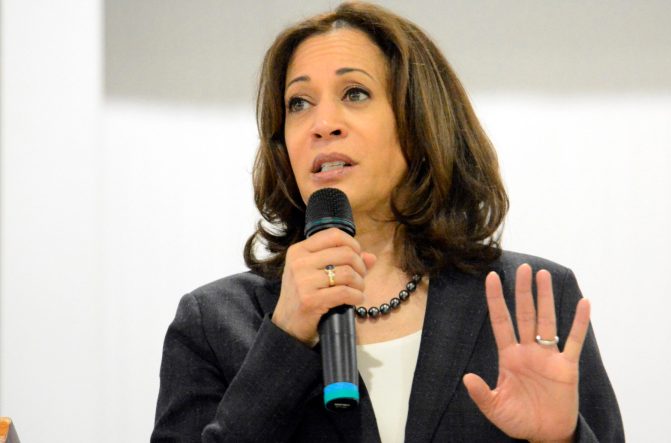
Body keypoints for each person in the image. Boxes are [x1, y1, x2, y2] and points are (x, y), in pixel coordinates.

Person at [151, 2, 624, 442]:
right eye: (299, 103)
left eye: (354, 93)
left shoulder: (533, 299)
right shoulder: (213, 323)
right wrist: (284, 340)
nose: (323, 123)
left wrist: (560, 440)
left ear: (419, 123)